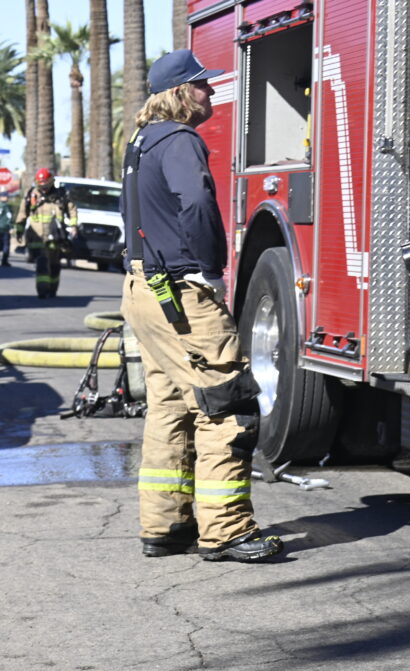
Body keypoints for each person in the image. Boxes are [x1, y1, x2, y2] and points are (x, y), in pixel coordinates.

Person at [119, 49, 284, 563]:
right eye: (202, 84)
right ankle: (227, 530)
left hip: (143, 290)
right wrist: (211, 266)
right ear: (179, 93)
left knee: (170, 406)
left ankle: (164, 526)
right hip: (181, 295)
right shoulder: (180, 140)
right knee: (226, 404)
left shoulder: (141, 141)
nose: (210, 91)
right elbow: (194, 202)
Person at [15, 167, 78, 298]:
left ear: (51, 181)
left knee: (54, 264)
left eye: (46, 184)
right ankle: (42, 290)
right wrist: (19, 231)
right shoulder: (31, 195)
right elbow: (22, 213)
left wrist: (73, 226)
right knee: (42, 262)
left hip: (55, 237)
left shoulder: (61, 195)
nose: (43, 187)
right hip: (37, 237)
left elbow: (72, 210)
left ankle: (53, 290)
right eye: (40, 184)